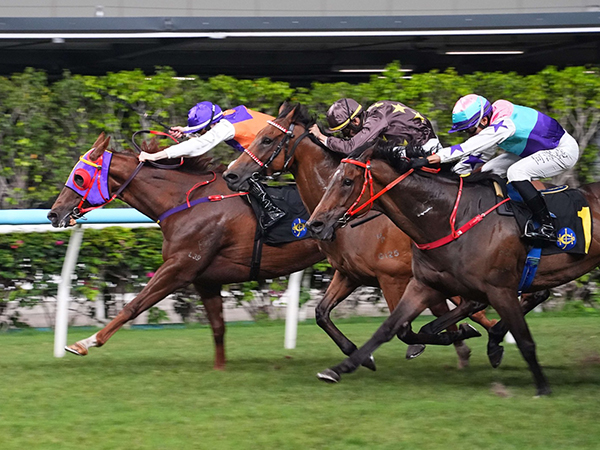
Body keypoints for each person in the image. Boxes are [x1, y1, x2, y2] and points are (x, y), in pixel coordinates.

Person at [427, 94, 580, 242]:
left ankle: (548, 226)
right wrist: (453, 174)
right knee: (488, 171)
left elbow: (471, 146)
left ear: (484, 120)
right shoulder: (491, 123)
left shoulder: (505, 124)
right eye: (465, 131)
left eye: (470, 130)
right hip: (533, 150)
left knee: (516, 172)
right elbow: (478, 156)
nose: (469, 135)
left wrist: (439, 156)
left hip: (562, 151)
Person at [138, 101, 285, 228]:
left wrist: (155, 156)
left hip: (278, 152)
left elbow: (199, 145)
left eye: (202, 130)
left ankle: (272, 209)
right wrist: (187, 131)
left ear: (211, 125)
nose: (202, 132)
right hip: (279, 146)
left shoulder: (226, 127)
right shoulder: (229, 114)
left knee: (234, 170)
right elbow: (211, 130)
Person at [309, 98, 442, 156]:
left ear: (355, 121)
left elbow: (350, 148)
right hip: (410, 148)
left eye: (346, 131)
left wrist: (321, 137)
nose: (347, 135)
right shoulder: (374, 113)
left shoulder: (376, 118)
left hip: (426, 149)